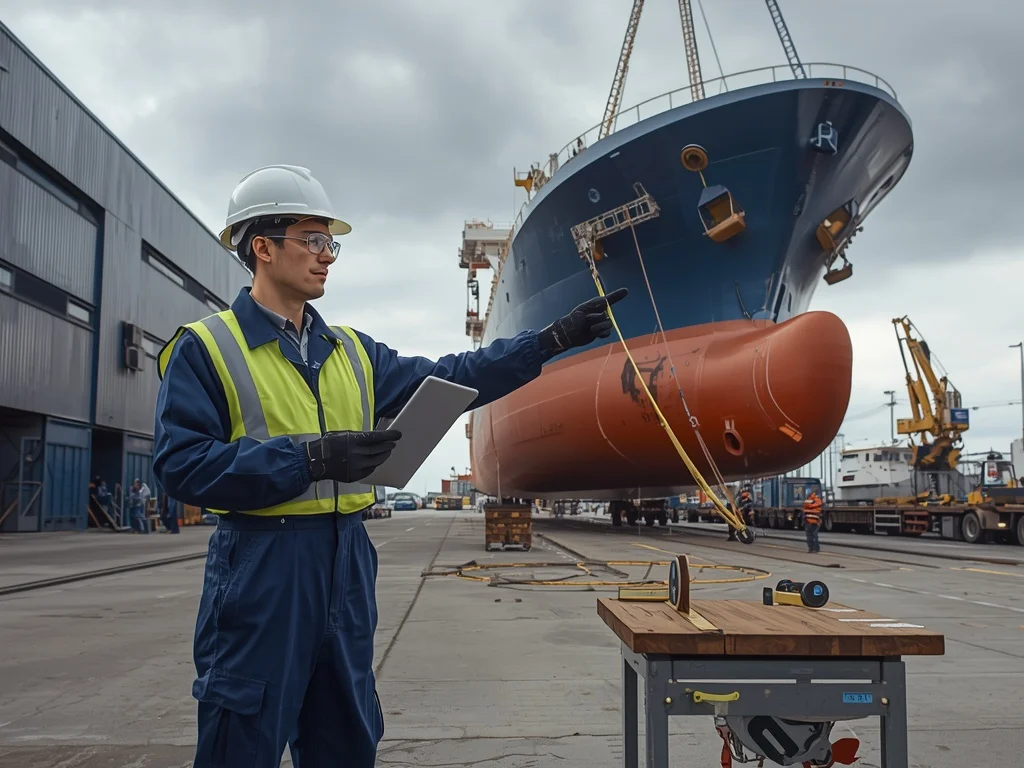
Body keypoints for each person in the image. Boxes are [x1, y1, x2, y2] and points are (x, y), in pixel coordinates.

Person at [152, 164, 628, 768]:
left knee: (346, 735)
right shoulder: (205, 347)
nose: (328, 257)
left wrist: (549, 341)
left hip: (346, 562)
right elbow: (181, 465)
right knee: (241, 736)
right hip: (261, 566)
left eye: (332, 244)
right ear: (262, 248)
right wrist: (312, 458)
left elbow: (452, 375)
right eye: (313, 240)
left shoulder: (351, 351)